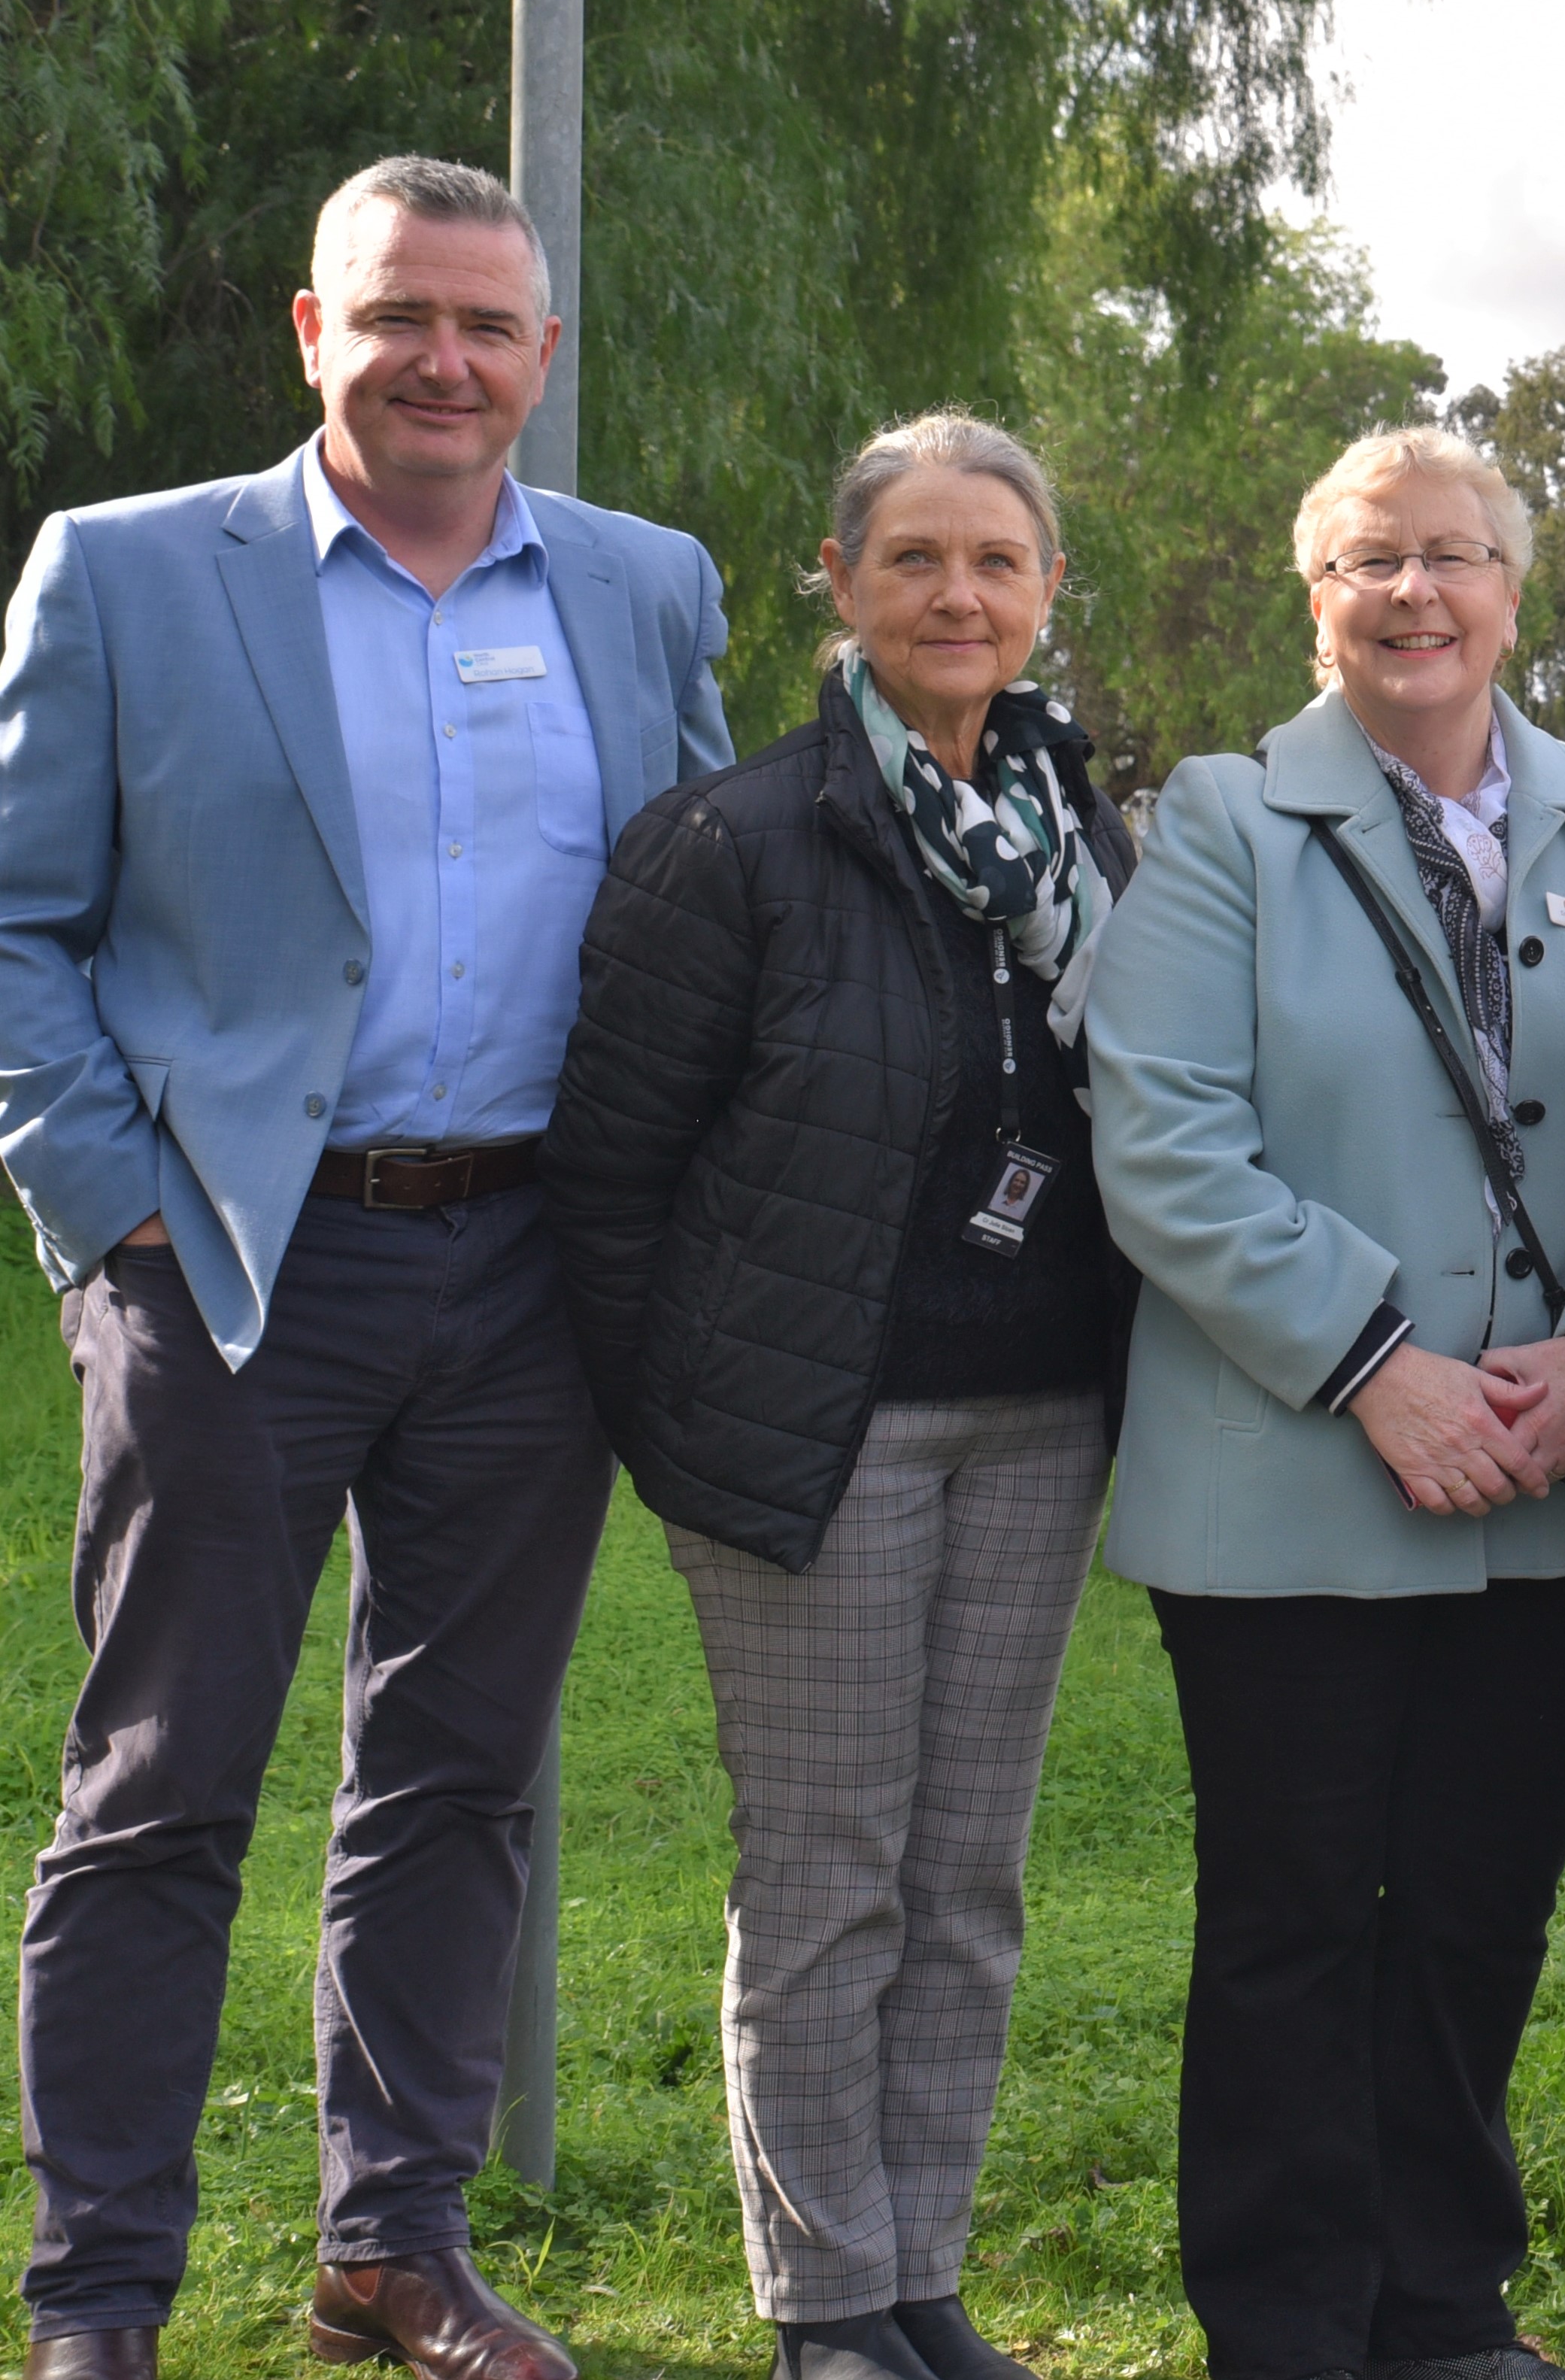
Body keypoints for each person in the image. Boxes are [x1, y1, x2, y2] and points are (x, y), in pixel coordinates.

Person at [0, 157, 731, 2380]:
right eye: (399, 315)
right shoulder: (128, 576)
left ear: (542, 357)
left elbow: (695, 916)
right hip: (227, 1263)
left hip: (527, 1277)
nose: (444, 360)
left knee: (455, 1778)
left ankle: (386, 2248)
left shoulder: (640, 586)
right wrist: (110, 1195)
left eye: (488, 327)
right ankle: (100, 2297)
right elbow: (19, 920)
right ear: (313, 333)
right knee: (161, 1782)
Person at [1084, 425, 1565, 2380]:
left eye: (1450, 554)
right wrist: (1377, 1368)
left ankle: (1439, 2308)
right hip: (1293, 1475)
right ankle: (1281, 2322)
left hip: (1553, 1475)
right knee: (1288, 1922)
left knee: (1478, 1911)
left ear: (1515, 586)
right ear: (1310, 593)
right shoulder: (1220, 827)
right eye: (1366, 561)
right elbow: (1164, 1144)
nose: (1412, 593)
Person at [541, 416, 1134, 2380]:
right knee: (826, 1878)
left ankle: (921, 2279)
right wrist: (687, 1430)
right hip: (815, 1442)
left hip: (1040, 1419)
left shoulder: (1090, 835)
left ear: (1047, 588)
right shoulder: (737, 840)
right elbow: (612, 1179)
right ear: (840, 579)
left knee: (964, 1877)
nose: (957, 596)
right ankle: (824, 2309)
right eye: (916, 561)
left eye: (997, 561)